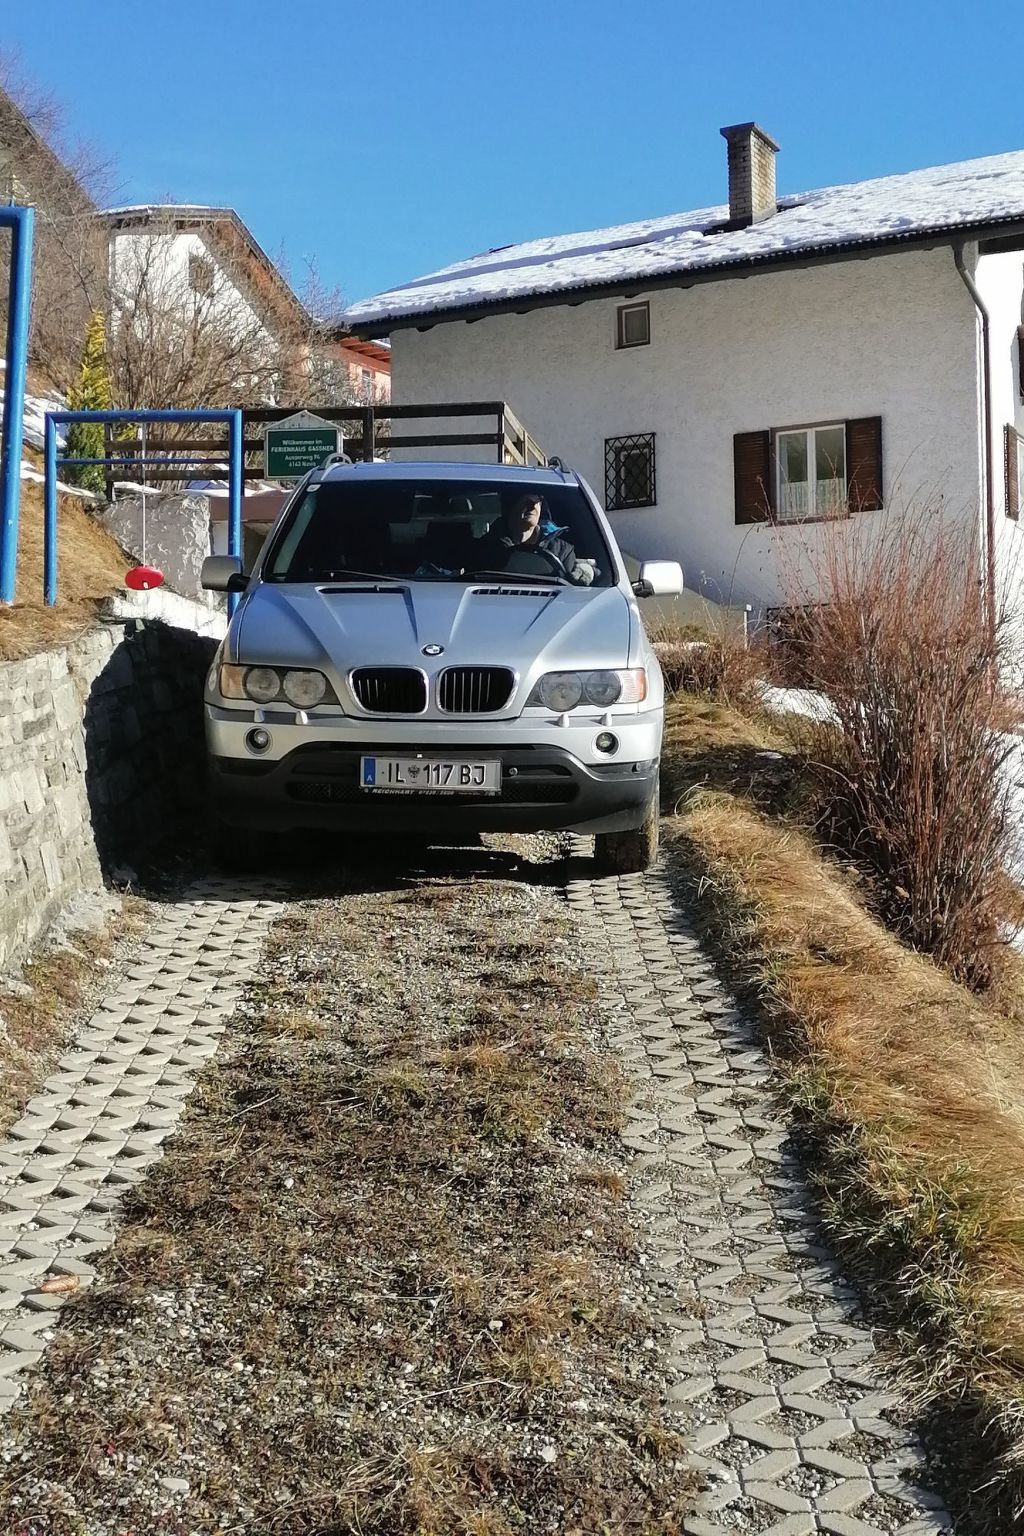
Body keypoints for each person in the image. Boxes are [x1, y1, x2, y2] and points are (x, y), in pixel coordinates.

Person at [475, 493, 595, 584]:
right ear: (510, 507)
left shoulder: (563, 550)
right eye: (526, 501)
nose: (532, 506)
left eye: (537, 501)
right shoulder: (486, 548)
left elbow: (574, 590)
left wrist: (586, 571)